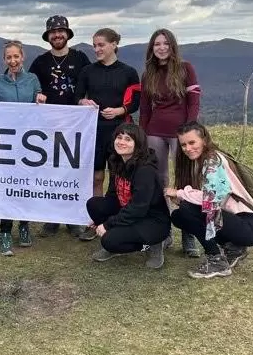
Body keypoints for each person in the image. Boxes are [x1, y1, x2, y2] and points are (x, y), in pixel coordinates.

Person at [165, 122, 253, 280]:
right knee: (179, 216)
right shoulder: (203, 160)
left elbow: (210, 199)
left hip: (248, 225)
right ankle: (233, 248)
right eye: (183, 144)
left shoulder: (213, 161)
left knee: (186, 210)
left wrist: (180, 193)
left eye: (192, 142)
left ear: (204, 140)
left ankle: (216, 260)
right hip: (238, 222)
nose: (187, 148)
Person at [0, 40, 45, 255]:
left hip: (29, 144)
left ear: (22, 57)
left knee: (25, 186)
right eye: (9, 57)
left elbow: (39, 102)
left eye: (16, 56)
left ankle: (24, 226)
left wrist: (41, 99)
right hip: (5, 144)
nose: (13, 61)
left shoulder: (32, 79)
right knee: (8, 188)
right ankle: (5, 231)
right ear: (4, 59)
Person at [140, 28, 202, 256]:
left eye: (165, 43)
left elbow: (194, 101)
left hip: (181, 133)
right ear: (152, 48)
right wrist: (141, 135)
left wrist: (190, 129)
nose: (162, 47)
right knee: (159, 181)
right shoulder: (148, 74)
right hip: (155, 132)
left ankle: (189, 235)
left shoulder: (186, 69)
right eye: (157, 44)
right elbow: (145, 110)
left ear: (172, 45)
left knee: (186, 180)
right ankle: (163, 231)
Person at [28, 15, 91, 238]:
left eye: (61, 31)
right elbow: (31, 88)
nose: (57, 35)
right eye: (53, 32)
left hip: (76, 124)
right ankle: (52, 219)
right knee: (50, 171)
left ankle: (73, 218)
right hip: (48, 125)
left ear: (68, 33)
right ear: (47, 36)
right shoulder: (40, 62)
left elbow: (89, 86)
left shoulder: (81, 58)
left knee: (73, 171)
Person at [76, 28, 140, 241]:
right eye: (94, 45)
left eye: (101, 45)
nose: (97, 49)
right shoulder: (87, 71)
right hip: (93, 130)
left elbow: (135, 102)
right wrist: (83, 102)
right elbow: (77, 96)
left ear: (114, 45)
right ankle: (96, 219)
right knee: (96, 176)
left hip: (119, 131)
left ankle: (116, 220)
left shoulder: (129, 72)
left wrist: (120, 110)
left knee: (118, 178)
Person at [85, 123, 169, 269]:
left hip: (152, 220)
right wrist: (103, 217)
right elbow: (113, 195)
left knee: (109, 241)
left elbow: (138, 208)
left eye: (128, 139)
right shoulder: (117, 161)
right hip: (130, 212)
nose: (122, 142)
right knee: (94, 205)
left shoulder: (145, 170)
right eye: (119, 137)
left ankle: (153, 244)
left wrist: (108, 224)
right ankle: (121, 236)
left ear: (138, 144)